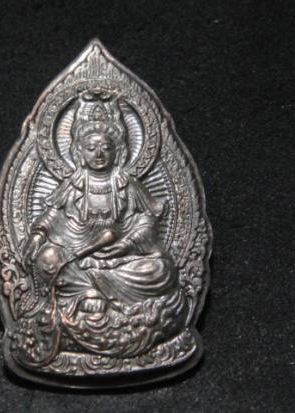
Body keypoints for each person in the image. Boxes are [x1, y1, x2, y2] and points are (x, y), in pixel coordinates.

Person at [14, 90, 187, 366]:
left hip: (120, 260)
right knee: (48, 258)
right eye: (91, 148)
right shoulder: (73, 186)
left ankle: (91, 295)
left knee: (161, 270)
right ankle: (85, 295)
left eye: (106, 148)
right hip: (78, 260)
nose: (99, 154)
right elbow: (52, 215)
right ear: (79, 152)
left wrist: (126, 245)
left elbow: (147, 221)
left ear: (118, 151)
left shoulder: (127, 185)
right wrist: (38, 234)